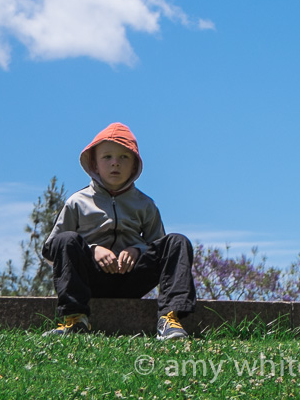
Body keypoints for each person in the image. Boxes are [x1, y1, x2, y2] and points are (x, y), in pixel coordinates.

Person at [42, 122, 196, 339]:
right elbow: (51, 250)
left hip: (131, 280)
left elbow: (160, 249)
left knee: (177, 242)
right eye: (107, 157)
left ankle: (169, 319)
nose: (115, 163)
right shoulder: (77, 202)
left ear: (134, 166)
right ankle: (75, 319)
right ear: (94, 165)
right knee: (66, 239)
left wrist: (138, 250)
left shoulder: (145, 204)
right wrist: (93, 249)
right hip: (90, 280)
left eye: (124, 157)